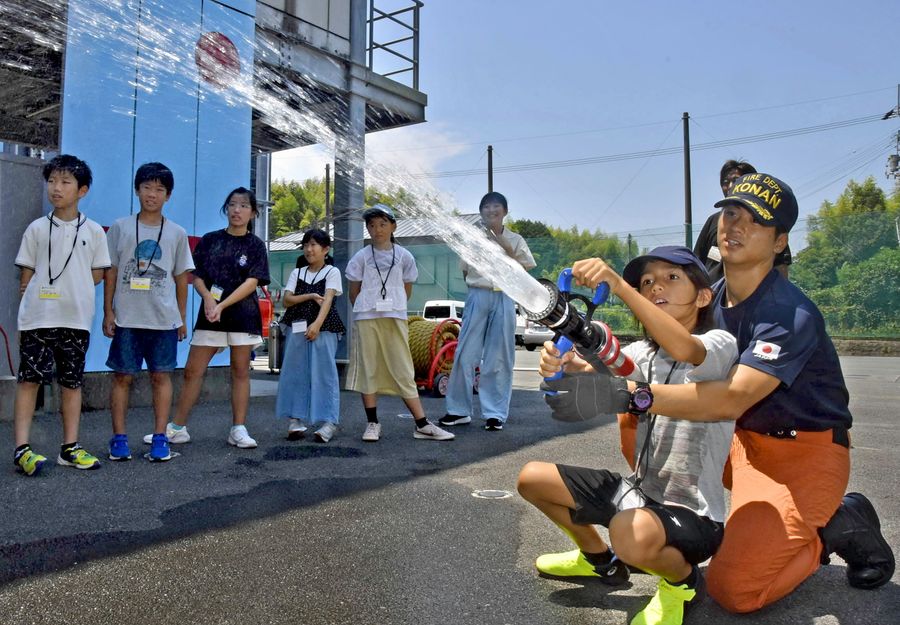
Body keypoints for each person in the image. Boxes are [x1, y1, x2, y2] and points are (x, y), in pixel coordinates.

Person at [550, 173, 894, 614]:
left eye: (755, 220)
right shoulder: (708, 299)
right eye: (731, 212)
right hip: (741, 442)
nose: (735, 225)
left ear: (779, 241)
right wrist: (585, 357)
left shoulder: (790, 313)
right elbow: (656, 353)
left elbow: (730, 399)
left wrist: (623, 394)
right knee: (636, 415)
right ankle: (661, 521)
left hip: (804, 456)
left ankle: (836, 525)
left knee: (735, 591)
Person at [522, 246, 738, 625]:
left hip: (694, 515)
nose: (656, 287)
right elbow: (610, 363)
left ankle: (682, 582)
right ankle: (599, 561)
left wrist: (621, 286)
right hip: (640, 495)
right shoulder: (646, 353)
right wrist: (564, 362)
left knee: (630, 534)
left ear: (704, 296)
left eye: (672, 278)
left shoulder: (719, 344)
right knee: (532, 479)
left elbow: (686, 347)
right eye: (647, 282)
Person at [147, 187, 270, 449]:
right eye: (232, 204)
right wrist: (207, 298)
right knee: (193, 371)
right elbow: (198, 275)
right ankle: (177, 428)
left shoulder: (256, 245)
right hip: (210, 313)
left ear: (253, 212)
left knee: (239, 371)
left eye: (243, 206)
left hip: (242, 315)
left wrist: (222, 304)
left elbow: (253, 282)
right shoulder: (211, 239)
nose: (237, 210)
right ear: (226, 208)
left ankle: (238, 429)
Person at [12, 155, 111, 475]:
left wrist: (72, 288)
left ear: (82, 190)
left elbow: (98, 274)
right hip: (37, 318)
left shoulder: (95, 231)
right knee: (29, 381)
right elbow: (26, 271)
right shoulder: (37, 228)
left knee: (72, 382)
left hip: (76, 319)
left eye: (66, 182)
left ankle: (69, 448)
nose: (57, 188)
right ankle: (22, 450)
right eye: (52, 181)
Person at [103, 162, 194, 463]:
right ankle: (119, 439)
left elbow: (182, 278)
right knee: (122, 378)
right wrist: (108, 311)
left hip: (163, 320)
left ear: (168, 195)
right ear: (137, 190)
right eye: (146, 187)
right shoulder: (121, 227)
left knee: (161, 377)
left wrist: (180, 318)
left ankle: (159, 438)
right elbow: (111, 272)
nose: (152, 194)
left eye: (159, 189)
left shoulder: (177, 233)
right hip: (127, 318)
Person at [344, 204, 454, 442]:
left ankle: (422, 424)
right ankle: (372, 423)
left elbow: (406, 290)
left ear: (393, 226)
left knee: (403, 368)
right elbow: (354, 293)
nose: (377, 230)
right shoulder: (361, 257)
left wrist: (392, 305)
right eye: (372, 225)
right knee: (368, 368)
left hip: (394, 316)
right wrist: (369, 306)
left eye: (383, 224)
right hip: (367, 317)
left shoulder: (405, 256)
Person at [439, 191, 536, 431]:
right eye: (486, 207)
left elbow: (522, 270)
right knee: (465, 353)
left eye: (496, 207)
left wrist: (500, 242)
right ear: (481, 212)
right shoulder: (473, 239)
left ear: (505, 211)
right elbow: (465, 270)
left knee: (499, 357)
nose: (491, 211)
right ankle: (458, 410)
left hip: (504, 296)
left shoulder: (515, 239)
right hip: (478, 294)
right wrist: (477, 290)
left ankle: (495, 413)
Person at [275, 228, 345, 443]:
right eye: (306, 245)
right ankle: (295, 421)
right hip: (296, 325)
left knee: (325, 374)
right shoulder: (298, 272)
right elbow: (287, 300)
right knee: (294, 372)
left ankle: (329, 422)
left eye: (313, 245)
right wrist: (311, 295)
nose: (308, 249)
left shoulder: (332, 272)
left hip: (323, 327)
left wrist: (316, 325)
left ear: (325, 249)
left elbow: (329, 300)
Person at [693, 160, 791, 281]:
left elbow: (781, 268)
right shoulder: (713, 221)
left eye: (735, 181)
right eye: (725, 182)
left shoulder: (770, 225)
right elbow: (695, 264)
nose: (729, 186)